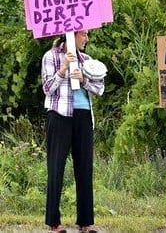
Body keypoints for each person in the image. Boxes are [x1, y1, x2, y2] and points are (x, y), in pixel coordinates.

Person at [41, 30, 105, 233]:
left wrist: (84, 80)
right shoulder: (51, 56)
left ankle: (85, 222)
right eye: (83, 34)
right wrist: (64, 69)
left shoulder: (86, 59)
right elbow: (48, 88)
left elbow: (100, 88)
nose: (86, 38)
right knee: (56, 167)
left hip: (83, 116)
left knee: (85, 169)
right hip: (60, 115)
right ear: (72, 35)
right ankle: (54, 223)